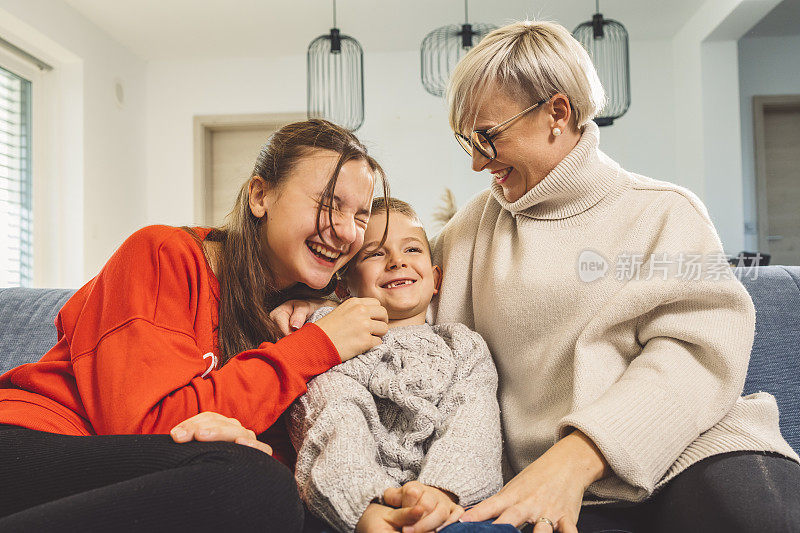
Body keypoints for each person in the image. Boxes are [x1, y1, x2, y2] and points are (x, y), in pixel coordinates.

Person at [272, 21, 800, 533]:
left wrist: (577, 458)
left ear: (557, 113)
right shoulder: (472, 230)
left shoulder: (665, 214)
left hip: (691, 454)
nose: (478, 163)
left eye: (488, 136)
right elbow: (398, 294)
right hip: (549, 490)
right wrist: (310, 304)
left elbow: (698, 356)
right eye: (467, 142)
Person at [0, 119, 397, 532]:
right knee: (252, 482)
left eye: (361, 216)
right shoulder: (163, 254)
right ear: (260, 195)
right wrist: (317, 345)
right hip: (32, 443)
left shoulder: (303, 311)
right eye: (330, 204)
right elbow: (143, 428)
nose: (347, 230)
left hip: (146, 478)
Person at [288, 197, 503, 533]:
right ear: (344, 288)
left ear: (436, 279)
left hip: (450, 505)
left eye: (413, 249)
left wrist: (440, 493)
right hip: (360, 509)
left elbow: (473, 422)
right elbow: (333, 416)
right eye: (375, 253)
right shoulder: (333, 339)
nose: (397, 261)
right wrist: (366, 507)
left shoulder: (464, 346)